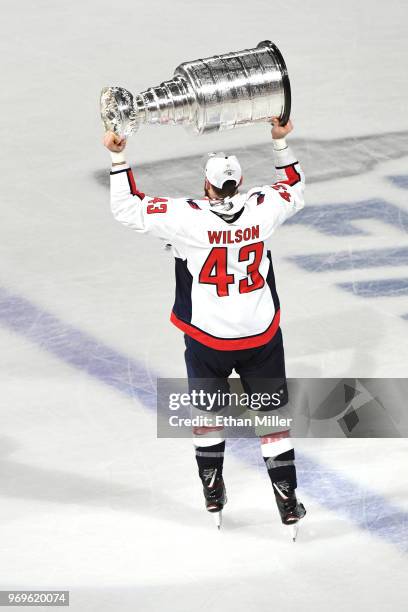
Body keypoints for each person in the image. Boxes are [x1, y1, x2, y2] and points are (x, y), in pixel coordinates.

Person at [103, 117, 306, 536]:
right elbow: (294, 190)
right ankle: (286, 501)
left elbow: (127, 207)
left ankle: (212, 491)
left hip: (207, 340)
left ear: (207, 186)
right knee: (272, 419)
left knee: (208, 413)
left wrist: (118, 155)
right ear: (241, 182)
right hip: (260, 336)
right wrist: (280, 143)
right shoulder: (263, 207)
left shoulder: (187, 218)